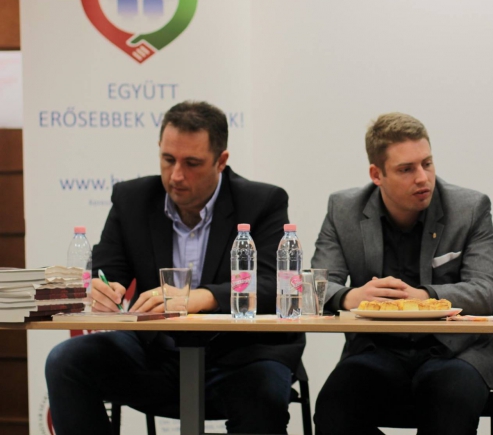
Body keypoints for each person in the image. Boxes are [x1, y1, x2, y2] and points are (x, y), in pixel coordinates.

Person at [45, 101, 305, 435]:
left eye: (192, 163)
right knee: (66, 362)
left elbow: (275, 285)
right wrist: (101, 288)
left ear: (221, 160)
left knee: (262, 396)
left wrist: (200, 297)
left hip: (242, 355)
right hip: (156, 352)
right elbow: (108, 269)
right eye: (168, 160)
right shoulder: (132, 199)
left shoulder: (262, 202)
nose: (176, 175)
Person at [311, 113, 493, 435]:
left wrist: (424, 298)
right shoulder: (344, 210)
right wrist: (350, 296)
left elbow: (487, 291)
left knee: (448, 405)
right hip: (377, 350)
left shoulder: (469, 208)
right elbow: (315, 287)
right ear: (377, 174)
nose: (423, 178)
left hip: (454, 352)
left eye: (427, 164)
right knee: (334, 407)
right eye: (406, 169)